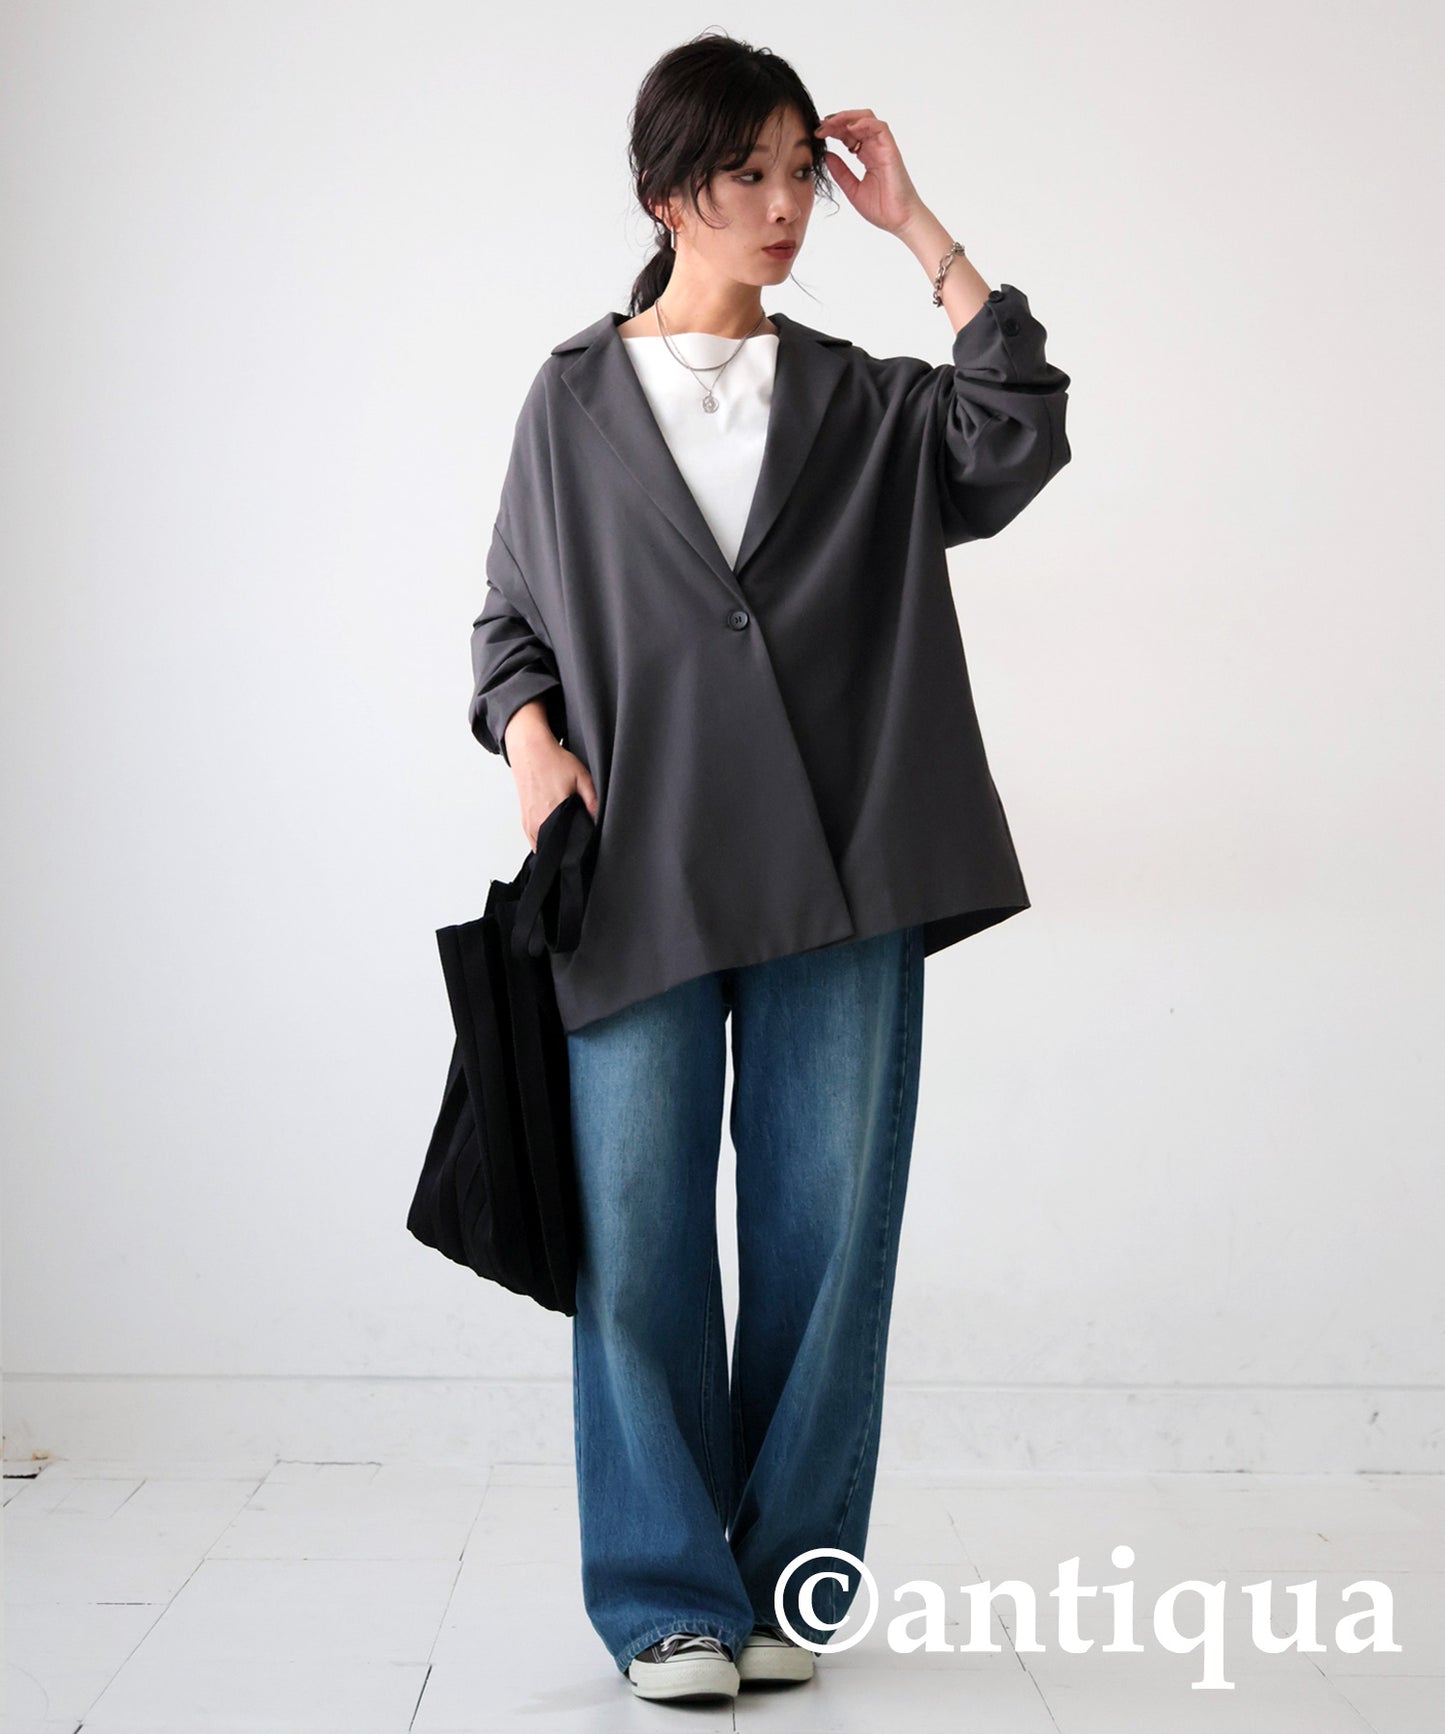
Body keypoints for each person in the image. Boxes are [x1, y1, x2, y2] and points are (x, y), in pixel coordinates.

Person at [468, 30, 1072, 1706]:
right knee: (635, 1239)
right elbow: (508, 619)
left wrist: (919, 230)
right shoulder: (572, 399)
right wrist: (531, 747)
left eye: (800, 168)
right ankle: (667, 1596)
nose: (785, 201)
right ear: (667, 193)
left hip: (843, 863)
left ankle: (786, 1579)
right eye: (747, 172)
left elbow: (1014, 430)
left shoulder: (863, 401)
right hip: (638, 865)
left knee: (823, 1238)